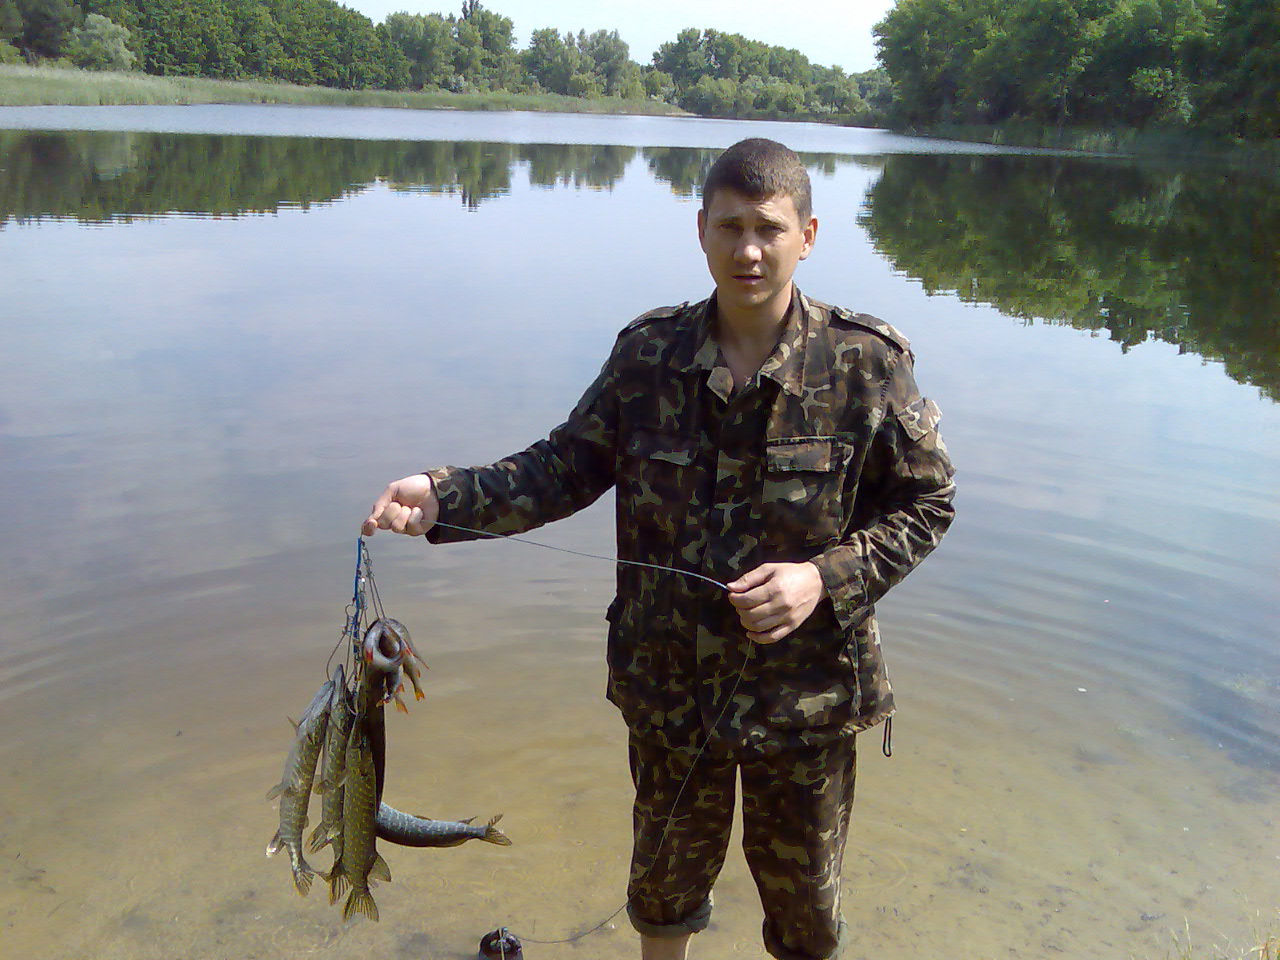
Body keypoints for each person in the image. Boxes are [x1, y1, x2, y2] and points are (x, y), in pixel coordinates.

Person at [362, 138, 955, 960]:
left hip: (807, 700)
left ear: (808, 236)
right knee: (664, 898)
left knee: (807, 924)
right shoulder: (649, 355)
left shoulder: (866, 363)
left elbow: (927, 503)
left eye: (770, 228)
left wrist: (822, 580)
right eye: (731, 226)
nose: (749, 249)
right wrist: (443, 498)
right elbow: (563, 467)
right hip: (671, 695)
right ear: (701, 230)